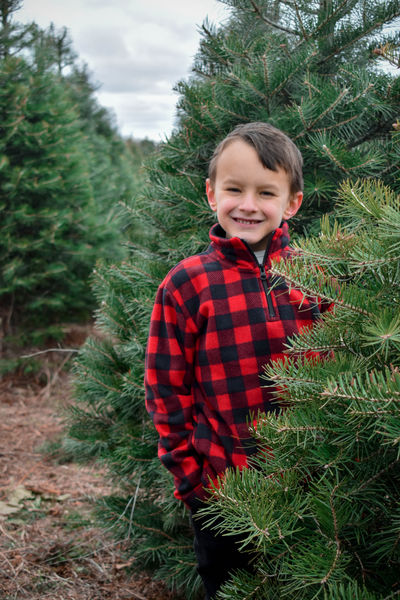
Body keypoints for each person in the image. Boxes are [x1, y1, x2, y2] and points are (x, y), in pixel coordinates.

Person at [145, 122, 328, 599]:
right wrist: (194, 484)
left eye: (266, 192)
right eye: (234, 189)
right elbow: (166, 391)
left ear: (292, 203)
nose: (248, 204)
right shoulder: (187, 284)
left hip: (316, 486)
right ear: (211, 193)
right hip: (225, 492)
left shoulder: (317, 277)